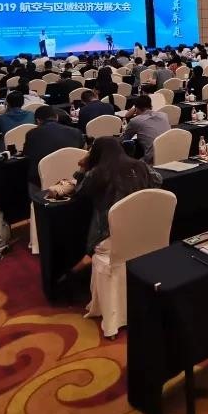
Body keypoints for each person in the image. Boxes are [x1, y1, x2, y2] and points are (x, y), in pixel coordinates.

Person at [56, 137, 162, 322]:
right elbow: (158, 180)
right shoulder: (140, 166)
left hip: (110, 237)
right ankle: (83, 263)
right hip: (141, 231)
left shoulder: (97, 173)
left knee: (97, 236)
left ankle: (79, 266)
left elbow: (79, 191)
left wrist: (82, 169)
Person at [24, 105, 84, 190]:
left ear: (37, 121)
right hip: (73, 179)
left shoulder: (31, 134)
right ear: (56, 117)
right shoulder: (76, 132)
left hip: (43, 182)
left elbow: (27, 156)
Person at [121, 94, 171, 163]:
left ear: (136, 109)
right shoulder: (164, 115)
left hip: (152, 160)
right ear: (151, 106)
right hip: (171, 154)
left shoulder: (136, 120)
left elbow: (125, 140)